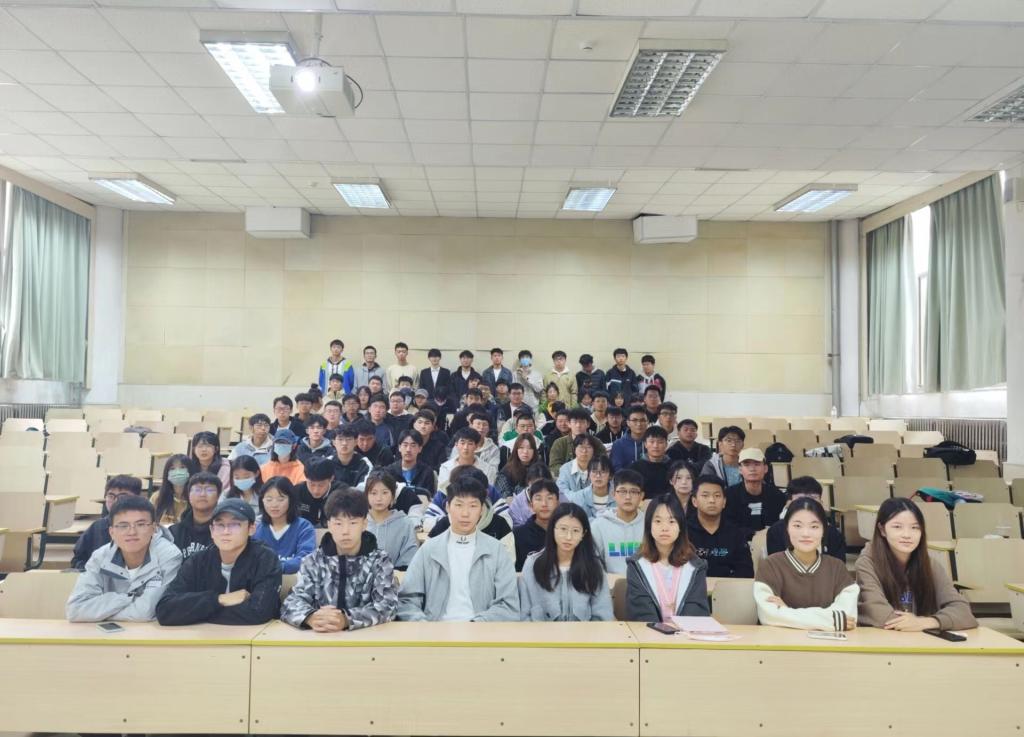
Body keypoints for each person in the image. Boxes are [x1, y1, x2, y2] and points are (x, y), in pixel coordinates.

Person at [397, 474, 519, 622]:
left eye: (473, 506)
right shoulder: (429, 550)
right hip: (435, 630)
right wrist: (423, 625)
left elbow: (508, 604)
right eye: (459, 505)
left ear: (482, 510)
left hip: (482, 630)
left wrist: (478, 623)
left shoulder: (497, 550)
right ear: (447, 507)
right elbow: (407, 601)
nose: (465, 513)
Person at [280, 488, 398, 631]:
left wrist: (346, 619)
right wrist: (311, 617)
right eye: (338, 523)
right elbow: (291, 603)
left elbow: (388, 606)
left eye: (353, 523)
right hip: (320, 637)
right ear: (329, 525)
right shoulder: (313, 561)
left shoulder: (380, 561)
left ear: (364, 524)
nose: (345, 531)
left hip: (365, 638)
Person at [856, 497, 977, 632]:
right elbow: (878, 615)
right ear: (882, 530)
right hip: (882, 640)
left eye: (915, 527)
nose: (907, 535)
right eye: (897, 527)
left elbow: (964, 613)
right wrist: (913, 623)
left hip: (922, 639)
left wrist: (926, 622)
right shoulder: (867, 563)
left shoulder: (930, 565)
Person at [156, 498, 282, 626]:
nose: (226, 532)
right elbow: (165, 610)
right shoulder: (198, 561)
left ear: (251, 529)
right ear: (211, 530)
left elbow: (259, 612)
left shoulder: (265, 559)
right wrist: (219, 599)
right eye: (220, 525)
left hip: (255, 636)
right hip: (205, 635)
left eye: (235, 525)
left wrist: (194, 612)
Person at [66, 496, 183, 623]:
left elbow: (146, 611)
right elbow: (75, 609)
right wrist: (129, 598)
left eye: (140, 524)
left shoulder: (169, 555)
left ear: (154, 528)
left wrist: (101, 613)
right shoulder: (100, 557)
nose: (132, 532)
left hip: (151, 632)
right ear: (112, 532)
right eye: (123, 526)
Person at [754, 497, 859, 632]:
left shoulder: (837, 567)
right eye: (797, 526)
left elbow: (848, 616)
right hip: (781, 642)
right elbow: (768, 616)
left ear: (824, 530)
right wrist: (833, 620)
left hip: (828, 644)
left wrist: (786, 611)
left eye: (814, 526)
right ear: (787, 529)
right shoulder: (770, 565)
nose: (805, 533)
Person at [519, 503, 613, 622]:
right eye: (563, 529)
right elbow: (524, 615)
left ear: (583, 534)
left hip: (584, 633)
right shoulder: (532, 564)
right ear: (553, 529)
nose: (568, 537)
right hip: (540, 633)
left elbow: (603, 615)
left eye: (575, 531)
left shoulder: (593, 566)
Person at [626, 494, 710, 623]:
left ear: (680, 527)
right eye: (658, 521)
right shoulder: (637, 565)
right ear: (649, 526)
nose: (664, 528)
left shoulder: (695, 566)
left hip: (686, 633)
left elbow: (696, 608)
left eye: (671, 521)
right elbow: (641, 611)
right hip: (649, 633)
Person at [71, 475, 145, 570]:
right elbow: (78, 559)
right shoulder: (97, 527)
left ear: (137, 498)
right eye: (111, 496)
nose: (115, 500)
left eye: (123, 496)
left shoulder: (145, 528)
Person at [687, 476, 754, 578]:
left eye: (717, 496)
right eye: (705, 495)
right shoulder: (683, 532)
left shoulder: (735, 533)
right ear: (694, 501)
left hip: (728, 586)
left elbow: (746, 570)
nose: (712, 500)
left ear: (724, 502)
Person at [766, 476, 845, 561]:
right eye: (800, 499)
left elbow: (838, 565)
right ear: (789, 503)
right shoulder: (776, 531)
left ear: (821, 503)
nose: (807, 503)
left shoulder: (833, 533)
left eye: (813, 499)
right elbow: (776, 564)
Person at [252, 477, 316, 575]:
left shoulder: (304, 527)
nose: (274, 505)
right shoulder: (255, 528)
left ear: (291, 500)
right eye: (269, 499)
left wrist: (274, 568)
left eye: (280, 499)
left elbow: (306, 560)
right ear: (262, 500)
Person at [591, 469, 645, 575]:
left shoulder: (649, 525)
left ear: (641, 496)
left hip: (643, 584)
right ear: (613, 494)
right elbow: (593, 563)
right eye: (623, 491)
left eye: (634, 492)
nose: (628, 497)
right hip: (609, 583)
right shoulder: (598, 526)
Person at [365, 470, 418, 570]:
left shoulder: (404, 523)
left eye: (384, 493)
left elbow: (409, 558)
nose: (379, 498)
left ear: (393, 496)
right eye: (373, 493)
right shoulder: (358, 521)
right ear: (366, 496)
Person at [725, 447, 786, 535]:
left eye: (757, 464)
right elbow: (728, 527)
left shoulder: (777, 496)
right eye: (747, 465)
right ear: (740, 469)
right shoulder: (729, 496)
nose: (752, 469)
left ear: (765, 468)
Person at [169, 472, 220, 560]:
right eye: (197, 490)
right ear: (189, 495)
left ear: (218, 496)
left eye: (209, 490)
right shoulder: (174, 532)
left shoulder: (224, 532)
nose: (202, 494)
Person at [513, 479, 559, 572]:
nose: (544, 504)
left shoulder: (565, 532)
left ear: (558, 503)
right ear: (531, 505)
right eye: (538, 499)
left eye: (549, 498)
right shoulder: (518, 535)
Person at [548, 407, 596, 474]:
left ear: (588, 424)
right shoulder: (559, 443)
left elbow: (602, 463)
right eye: (575, 422)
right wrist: (572, 472)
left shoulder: (596, 442)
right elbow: (554, 466)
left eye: (582, 422)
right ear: (569, 424)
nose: (578, 425)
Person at [630, 426, 673, 499]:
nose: (655, 446)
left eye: (660, 442)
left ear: (666, 444)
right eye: (652, 442)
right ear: (645, 444)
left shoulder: (673, 467)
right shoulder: (635, 468)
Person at [567, 456, 615, 520]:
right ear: (588, 474)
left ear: (610, 475)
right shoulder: (579, 497)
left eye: (603, 472)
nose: (598, 476)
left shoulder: (618, 497)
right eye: (594, 472)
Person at [152, 454, 195, 525]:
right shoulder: (157, 497)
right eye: (172, 468)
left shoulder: (196, 497)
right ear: (167, 473)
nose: (177, 472)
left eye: (182, 467)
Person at [295, 458, 338, 527]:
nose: (316, 490)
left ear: (331, 478)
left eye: (321, 485)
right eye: (312, 484)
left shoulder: (341, 494)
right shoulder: (296, 491)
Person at [328, 425, 374, 490]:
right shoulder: (327, 462)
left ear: (356, 442)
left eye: (348, 439)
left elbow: (363, 487)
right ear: (334, 442)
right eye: (340, 439)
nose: (344, 443)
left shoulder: (364, 463)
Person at [495, 433, 538, 499]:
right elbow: (504, 495)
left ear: (534, 451)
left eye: (529, 448)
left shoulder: (540, 469)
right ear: (516, 449)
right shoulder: (506, 471)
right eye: (521, 448)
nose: (525, 451)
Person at [610, 406, 648, 471]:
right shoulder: (619, 444)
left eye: (642, 420)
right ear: (628, 423)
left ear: (648, 422)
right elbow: (617, 469)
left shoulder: (654, 443)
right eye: (635, 420)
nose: (639, 424)